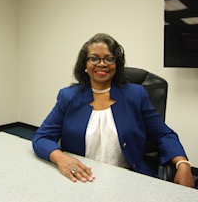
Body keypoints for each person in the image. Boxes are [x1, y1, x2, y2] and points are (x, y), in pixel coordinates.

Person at [32, 33, 195, 187]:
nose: (102, 63)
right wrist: (60, 158)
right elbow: (42, 137)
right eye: (94, 58)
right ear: (85, 65)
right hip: (81, 178)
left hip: (126, 178)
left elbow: (163, 134)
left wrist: (183, 164)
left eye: (109, 58)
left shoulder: (135, 94)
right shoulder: (68, 96)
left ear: (117, 64)